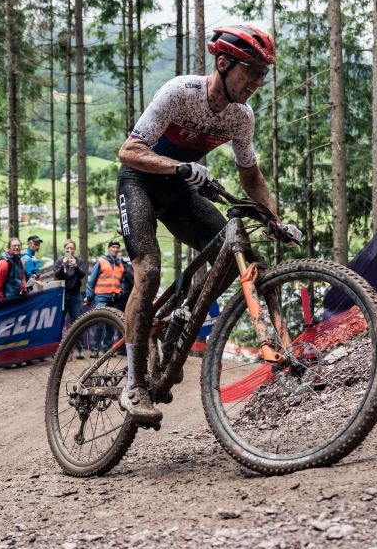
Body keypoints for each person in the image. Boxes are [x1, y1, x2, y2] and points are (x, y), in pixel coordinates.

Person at [115, 24, 295, 423]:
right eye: (252, 71)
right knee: (149, 272)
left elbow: (250, 174)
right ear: (224, 63)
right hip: (140, 183)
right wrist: (177, 166)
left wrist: (273, 219)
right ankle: (134, 383)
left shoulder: (240, 116)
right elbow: (129, 151)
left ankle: (177, 323)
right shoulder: (181, 92)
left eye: (264, 74)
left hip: (180, 190)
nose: (258, 82)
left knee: (230, 257)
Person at [84, 240, 127, 358]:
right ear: (109, 248)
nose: (115, 249)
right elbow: (91, 280)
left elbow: (122, 281)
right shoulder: (101, 261)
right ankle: (95, 350)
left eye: (117, 247)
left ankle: (107, 350)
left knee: (111, 324)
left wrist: (121, 290)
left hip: (114, 298)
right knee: (99, 322)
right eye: (113, 247)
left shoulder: (120, 264)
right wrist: (89, 296)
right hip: (101, 296)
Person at [53, 240, 86, 357]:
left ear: (74, 249)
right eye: (67, 248)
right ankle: (57, 350)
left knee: (77, 322)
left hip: (75, 295)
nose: (69, 250)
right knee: (59, 322)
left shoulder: (78, 261)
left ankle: (79, 349)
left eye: (72, 248)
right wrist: (63, 265)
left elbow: (82, 275)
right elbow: (57, 275)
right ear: (64, 249)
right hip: (62, 294)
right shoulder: (59, 261)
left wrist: (76, 266)